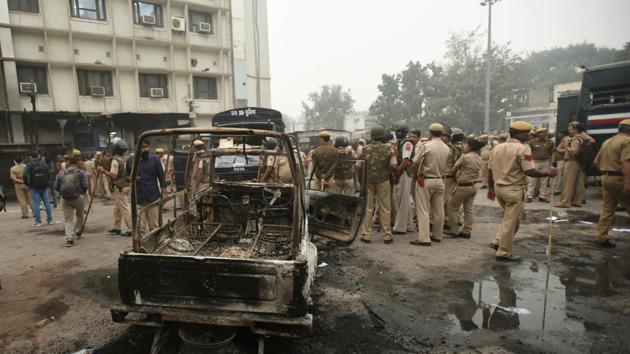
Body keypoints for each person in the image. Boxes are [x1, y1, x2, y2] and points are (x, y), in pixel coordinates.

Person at [487, 121, 557, 261]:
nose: (530, 135)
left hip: (500, 188)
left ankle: (498, 241)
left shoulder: (497, 147)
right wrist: (547, 174)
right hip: (514, 189)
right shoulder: (523, 148)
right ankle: (503, 251)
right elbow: (529, 171)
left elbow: (489, 170)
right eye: (527, 133)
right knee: (511, 221)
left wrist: (490, 187)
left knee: (513, 220)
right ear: (519, 134)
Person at [410, 123, 451, 246]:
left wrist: (417, 175)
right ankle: (437, 235)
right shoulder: (446, 148)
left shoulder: (426, 146)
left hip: (426, 180)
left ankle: (424, 238)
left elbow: (415, 162)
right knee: (439, 210)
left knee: (423, 209)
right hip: (440, 180)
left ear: (430, 132)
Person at [593, 119, 630, 248]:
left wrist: (606, 172)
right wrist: (627, 183)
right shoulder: (627, 141)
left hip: (606, 178)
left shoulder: (607, 141)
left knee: (607, 209)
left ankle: (601, 237)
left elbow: (596, 162)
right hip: (620, 179)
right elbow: (626, 163)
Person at [360, 125, 397, 244]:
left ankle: (366, 235)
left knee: (369, 208)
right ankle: (386, 235)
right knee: (385, 208)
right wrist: (393, 176)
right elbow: (393, 165)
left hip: (369, 180)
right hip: (383, 180)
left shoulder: (365, 149)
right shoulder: (389, 149)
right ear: (382, 136)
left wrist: (361, 180)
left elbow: (358, 166)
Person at [445, 139, 484, 239]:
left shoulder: (465, 157)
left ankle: (454, 230)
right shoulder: (479, 157)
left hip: (463, 186)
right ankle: (467, 230)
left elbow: (453, 170)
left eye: (465, 144)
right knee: (468, 209)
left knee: (451, 207)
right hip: (473, 186)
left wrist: (449, 169)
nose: (463, 146)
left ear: (470, 146)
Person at [126, 140, 166, 236]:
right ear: (136, 147)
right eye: (143, 147)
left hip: (152, 197)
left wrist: (164, 192)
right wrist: (130, 178)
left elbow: (161, 176)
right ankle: (141, 247)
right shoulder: (131, 160)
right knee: (140, 227)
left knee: (154, 226)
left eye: (147, 147)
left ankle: (155, 245)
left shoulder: (155, 160)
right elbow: (126, 175)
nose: (145, 149)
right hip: (137, 198)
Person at [555, 122, 595, 208]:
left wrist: (566, 147)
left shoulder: (575, 139)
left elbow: (573, 151)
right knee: (579, 182)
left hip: (572, 162)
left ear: (575, 129)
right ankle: (578, 201)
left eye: (570, 128)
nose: (569, 130)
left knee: (568, 182)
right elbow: (592, 140)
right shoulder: (582, 138)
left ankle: (565, 202)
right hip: (579, 162)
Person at [98, 139, 132, 236]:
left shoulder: (115, 161)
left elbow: (113, 175)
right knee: (117, 208)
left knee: (124, 208)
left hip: (120, 187)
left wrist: (103, 170)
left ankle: (131, 229)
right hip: (124, 185)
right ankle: (116, 227)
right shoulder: (124, 159)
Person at [55, 157, 89, 247]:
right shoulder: (81, 172)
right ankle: (78, 231)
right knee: (80, 214)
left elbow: (56, 186)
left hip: (65, 199)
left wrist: (62, 192)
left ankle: (69, 239)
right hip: (78, 197)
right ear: (77, 163)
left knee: (68, 219)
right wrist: (80, 193)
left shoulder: (61, 172)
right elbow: (85, 185)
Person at [392, 124, 416, 234]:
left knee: (402, 200)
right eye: (396, 131)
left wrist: (397, 172)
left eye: (399, 131)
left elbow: (405, 161)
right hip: (402, 173)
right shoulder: (400, 143)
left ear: (404, 132)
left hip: (404, 173)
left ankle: (400, 227)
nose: (396, 133)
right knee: (403, 199)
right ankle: (409, 225)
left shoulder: (407, 143)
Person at [442, 126, 464, 231]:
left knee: (446, 201)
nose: (441, 137)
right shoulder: (453, 147)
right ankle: (453, 220)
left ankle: (449, 221)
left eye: (444, 136)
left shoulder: (450, 148)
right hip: (450, 176)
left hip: (448, 176)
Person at [23, 152, 53, 226]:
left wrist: (27, 184)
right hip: (44, 186)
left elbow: (24, 175)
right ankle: (49, 220)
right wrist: (46, 182)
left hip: (34, 187)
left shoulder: (29, 165)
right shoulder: (44, 164)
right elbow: (48, 174)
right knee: (47, 203)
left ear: (31, 157)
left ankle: (38, 221)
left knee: (36, 203)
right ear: (38, 156)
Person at [526, 128, 554, 203]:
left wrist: (551, 163)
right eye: (542, 133)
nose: (544, 134)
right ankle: (529, 196)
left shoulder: (550, 142)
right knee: (532, 180)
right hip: (534, 162)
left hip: (545, 161)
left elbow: (551, 152)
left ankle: (542, 196)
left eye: (545, 133)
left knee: (544, 180)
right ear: (538, 134)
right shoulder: (532, 142)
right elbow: (528, 153)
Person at [553, 130, 570, 195]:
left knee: (559, 175)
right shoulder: (564, 139)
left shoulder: (566, 139)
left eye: (559, 134)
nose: (559, 135)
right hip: (560, 160)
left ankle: (558, 189)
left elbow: (566, 150)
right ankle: (558, 189)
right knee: (559, 175)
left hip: (562, 160)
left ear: (563, 134)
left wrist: (557, 149)